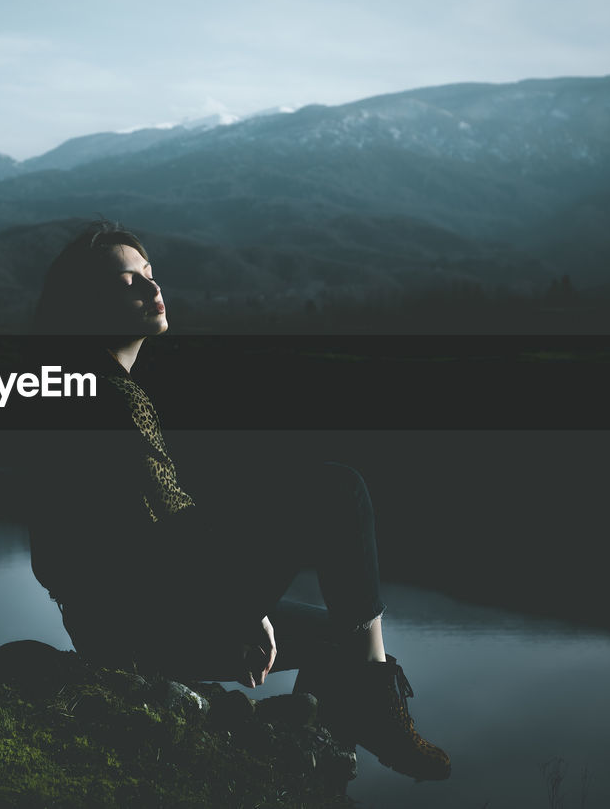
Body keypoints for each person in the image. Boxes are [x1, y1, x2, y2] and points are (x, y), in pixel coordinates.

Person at [24, 220, 451, 782]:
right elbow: (153, 534)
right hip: (142, 624)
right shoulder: (106, 396)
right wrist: (240, 606)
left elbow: (89, 544)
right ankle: (373, 704)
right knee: (338, 488)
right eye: (126, 283)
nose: (152, 290)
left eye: (149, 276)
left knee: (337, 638)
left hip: (117, 622)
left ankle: (319, 763)